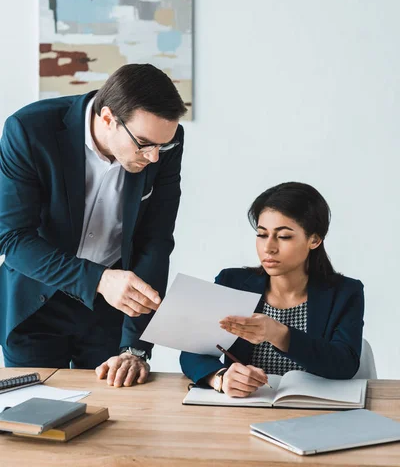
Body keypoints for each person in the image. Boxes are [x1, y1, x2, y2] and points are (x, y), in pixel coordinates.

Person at [0, 63, 186, 387]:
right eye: (144, 144)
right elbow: (13, 239)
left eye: (162, 145)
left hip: (110, 314)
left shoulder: (163, 142)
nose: (155, 157)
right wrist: (98, 279)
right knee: (34, 425)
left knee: (117, 424)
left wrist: (135, 347)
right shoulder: (29, 130)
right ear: (107, 119)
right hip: (35, 306)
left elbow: (155, 241)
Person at [180, 182, 364, 397]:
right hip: (244, 411)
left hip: (316, 412)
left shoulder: (345, 292)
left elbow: (344, 365)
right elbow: (192, 352)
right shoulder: (232, 282)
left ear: (314, 240)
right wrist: (220, 377)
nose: (269, 247)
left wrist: (279, 334)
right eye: (261, 234)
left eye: (284, 236)